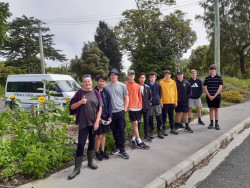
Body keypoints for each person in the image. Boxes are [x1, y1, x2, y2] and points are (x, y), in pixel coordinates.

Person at [68, 74, 102, 180]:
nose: (87, 83)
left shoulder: (96, 93)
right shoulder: (79, 93)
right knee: (81, 144)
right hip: (83, 124)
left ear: (92, 82)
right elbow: (72, 107)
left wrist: (97, 122)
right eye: (85, 81)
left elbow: (100, 108)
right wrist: (80, 102)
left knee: (92, 143)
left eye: (89, 81)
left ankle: (90, 162)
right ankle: (77, 168)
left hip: (93, 124)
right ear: (83, 82)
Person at [104, 68, 130, 159]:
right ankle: (117, 147)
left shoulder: (122, 86)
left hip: (120, 111)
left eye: (115, 75)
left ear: (117, 76)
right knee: (114, 131)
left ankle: (123, 150)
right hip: (111, 113)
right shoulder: (106, 87)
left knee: (121, 130)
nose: (113, 76)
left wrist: (125, 108)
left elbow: (126, 97)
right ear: (110, 76)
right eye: (111, 75)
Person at [126, 70, 150, 150]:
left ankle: (133, 139)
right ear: (128, 76)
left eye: (133, 74)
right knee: (135, 123)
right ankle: (139, 141)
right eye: (130, 74)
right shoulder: (125, 85)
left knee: (135, 124)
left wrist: (140, 105)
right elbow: (125, 97)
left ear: (134, 76)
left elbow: (140, 96)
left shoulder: (137, 85)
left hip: (138, 108)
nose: (131, 76)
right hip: (131, 108)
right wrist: (127, 107)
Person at [94, 75, 112, 161]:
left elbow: (109, 105)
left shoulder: (107, 92)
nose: (102, 83)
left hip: (106, 117)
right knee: (99, 135)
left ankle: (102, 151)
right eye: (100, 81)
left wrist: (110, 116)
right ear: (97, 81)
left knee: (104, 135)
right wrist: (98, 118)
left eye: (103, 81)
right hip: (98, 117)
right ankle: (96, 152)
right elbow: (93, 106)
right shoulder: (94, 92)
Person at [203, 64, 223, 130]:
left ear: (215, 70)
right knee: (211, 109)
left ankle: (216, 124)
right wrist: (209, 96)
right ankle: (211, 123)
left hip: (216, 96)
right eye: (211, 70)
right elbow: (205, 88)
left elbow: (220, 88)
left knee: (216, 110)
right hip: (209, 96)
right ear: (209, 70)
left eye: (213, 70)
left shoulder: (219, 78)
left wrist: (214, 96)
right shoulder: (207, 79)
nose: (212, 71)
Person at [160, 70, 178, 135]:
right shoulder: (161, 82)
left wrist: (175, 101)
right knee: (164, 117)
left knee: (171, 116)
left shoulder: (173, 82)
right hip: (164, 103)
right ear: (164, 76)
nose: (167, 76)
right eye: (166, 75)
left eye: (168, 75)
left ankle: (172, 128)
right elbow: (160, 93)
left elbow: (175, 92)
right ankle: (163, 129)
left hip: (172, 102)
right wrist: (161, 102)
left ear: (170, 75)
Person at [147, 72, 164, 139]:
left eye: (153, 77)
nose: (152, 78)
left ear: (155, 77)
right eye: (151, 77)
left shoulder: (158, 85)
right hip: (150, 105)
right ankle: (151, 132)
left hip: (157, 104)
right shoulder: (147, 85)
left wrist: (160, 102)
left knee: (159, 118)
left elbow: (160, 94)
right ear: (149, 78)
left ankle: (159, 131)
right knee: (150, 118)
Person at [138, 73, 152, 142]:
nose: (142, 79)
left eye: (143, 78)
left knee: (146, 122)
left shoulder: (147, 87)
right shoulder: (136, 87)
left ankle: (146, 135)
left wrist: (148, 103)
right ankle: (138, 137)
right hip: (138, 108)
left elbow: (150, 97)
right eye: (141, 78)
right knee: (138, 122)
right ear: (138, 79)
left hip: (146, 108)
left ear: (145, 78)